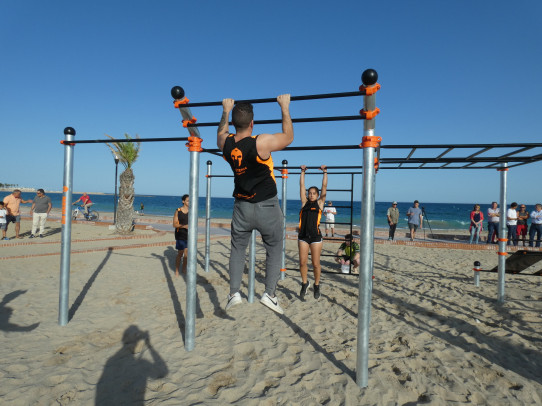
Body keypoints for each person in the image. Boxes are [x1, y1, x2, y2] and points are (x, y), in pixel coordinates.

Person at [217, 94, 293, 315]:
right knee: (274, 247)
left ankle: (233, 293)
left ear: (233, 123)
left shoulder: (227, 143)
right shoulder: (261, 142)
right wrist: (284, 107)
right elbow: (288, 137)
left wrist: (225, 110)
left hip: (241, 206)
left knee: (237, 249)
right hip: (267, 206)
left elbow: (220, 134)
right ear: (252, 123)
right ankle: (269, 294)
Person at [298, 165, 328, 300]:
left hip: (315, 237)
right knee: (302, 263)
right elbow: (301, 185)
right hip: (303, 237)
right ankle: (305, 283)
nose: (311, 195)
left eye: (313, 193)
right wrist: (302, 172)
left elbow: (325, 187)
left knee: (315, 263)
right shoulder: (304, 203)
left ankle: (316, 285)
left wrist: (325, 172)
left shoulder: (320, 203)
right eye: (309, 193)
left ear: (317, 195)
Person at [173, 194, 189, 277]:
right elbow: (174, 224)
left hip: (189, 235)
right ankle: (176, 270)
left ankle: (184, 269)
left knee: (186, 254)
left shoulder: (192, 211)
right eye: (188, 201)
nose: (189, 202)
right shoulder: (178, 211)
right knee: (180, 253)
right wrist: (184, 226)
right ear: (183, 201)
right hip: (180, 235)